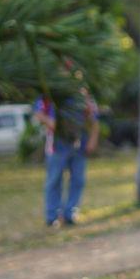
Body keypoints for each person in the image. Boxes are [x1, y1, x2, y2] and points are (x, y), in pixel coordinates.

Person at [35, 89, 98, 227]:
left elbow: (93, 117)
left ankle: (70, 214)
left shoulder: (83, 93)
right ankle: (52, 217)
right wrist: (53, 124)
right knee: (54, 180)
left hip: (79, 142)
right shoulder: (51, 91)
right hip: (57, 145)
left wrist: (93, 139)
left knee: (78, 180)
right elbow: (38, 113)